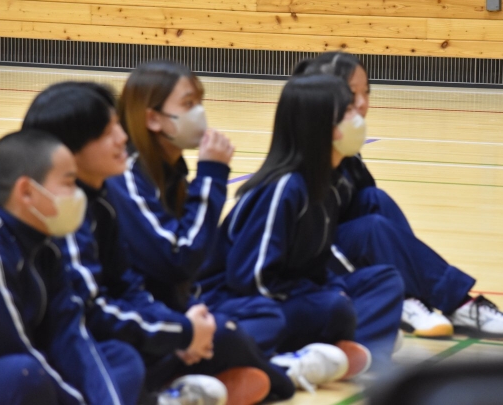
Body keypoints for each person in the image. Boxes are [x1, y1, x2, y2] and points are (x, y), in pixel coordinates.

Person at [23, 81, 333, 404]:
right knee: (131, 360)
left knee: (243, 323)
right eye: (107, 132)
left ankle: (184, 387)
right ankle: (274, 375)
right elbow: (96, 311)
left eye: (118, 125)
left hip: (132, 328)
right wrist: (180, 331)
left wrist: (180, 328)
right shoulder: (69, 212)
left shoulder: (102, 202)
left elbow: (128, 287)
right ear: (68, 150)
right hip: (80, 350)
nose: (122, 137)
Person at [103, 61, 353, 395]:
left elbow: (189, 269)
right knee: (226, 333)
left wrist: (192, 316)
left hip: (178, 310)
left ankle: (222, 371)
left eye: (200, 102)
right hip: (146, 319)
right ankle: (281, 374)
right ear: (153, 118)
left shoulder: (173, 171)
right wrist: (211, 176)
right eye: (188, 104)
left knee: (265, 316)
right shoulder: (129, 176)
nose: (200, 112)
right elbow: (178, 258)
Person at [295, 51, 503, 339]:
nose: (363, 103)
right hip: (311, 272)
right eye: (351, 94)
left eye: (366, 92)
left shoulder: (346, 154)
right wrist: (385, 287)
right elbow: (311, 251)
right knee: (372, 227)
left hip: (341, 251)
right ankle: (448, 303)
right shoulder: (300, 170)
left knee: (375, 200)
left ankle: (421, 301)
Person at [197, 74, 405, 379]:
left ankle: (346, 351)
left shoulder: (329, 183)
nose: (358, 116)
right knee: (333, 309)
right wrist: (326, 296)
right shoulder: (284, 187)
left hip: (291, 294)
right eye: (348, 111)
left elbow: (317, 267)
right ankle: (330, 351)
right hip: (241, 302)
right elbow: (251, 279)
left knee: (384, 281)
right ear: (322, 125)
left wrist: (331, 290)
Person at [0, 129, 144, 405]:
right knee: (25, 374)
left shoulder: (46, 247)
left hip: (5, 372)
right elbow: (14, 350)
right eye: (69, 182)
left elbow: (69, 334)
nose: (78, 193)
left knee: (120, 358)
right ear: (26, 192)